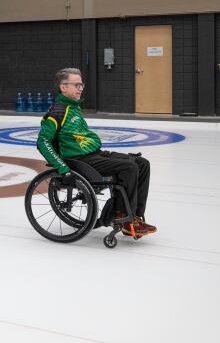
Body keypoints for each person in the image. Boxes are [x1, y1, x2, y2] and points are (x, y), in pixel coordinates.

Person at [36, 68, 156, 237]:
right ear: (63, 88)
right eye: (76, 85)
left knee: (142, 164)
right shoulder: (56, 112)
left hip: (94, 153)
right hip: (80, 159)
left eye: (81, 85)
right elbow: (43, 142)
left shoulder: (74, 107)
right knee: (129, 168)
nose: (80, 88)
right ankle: (123, 217)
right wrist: (62, 168)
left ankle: (135, 216)